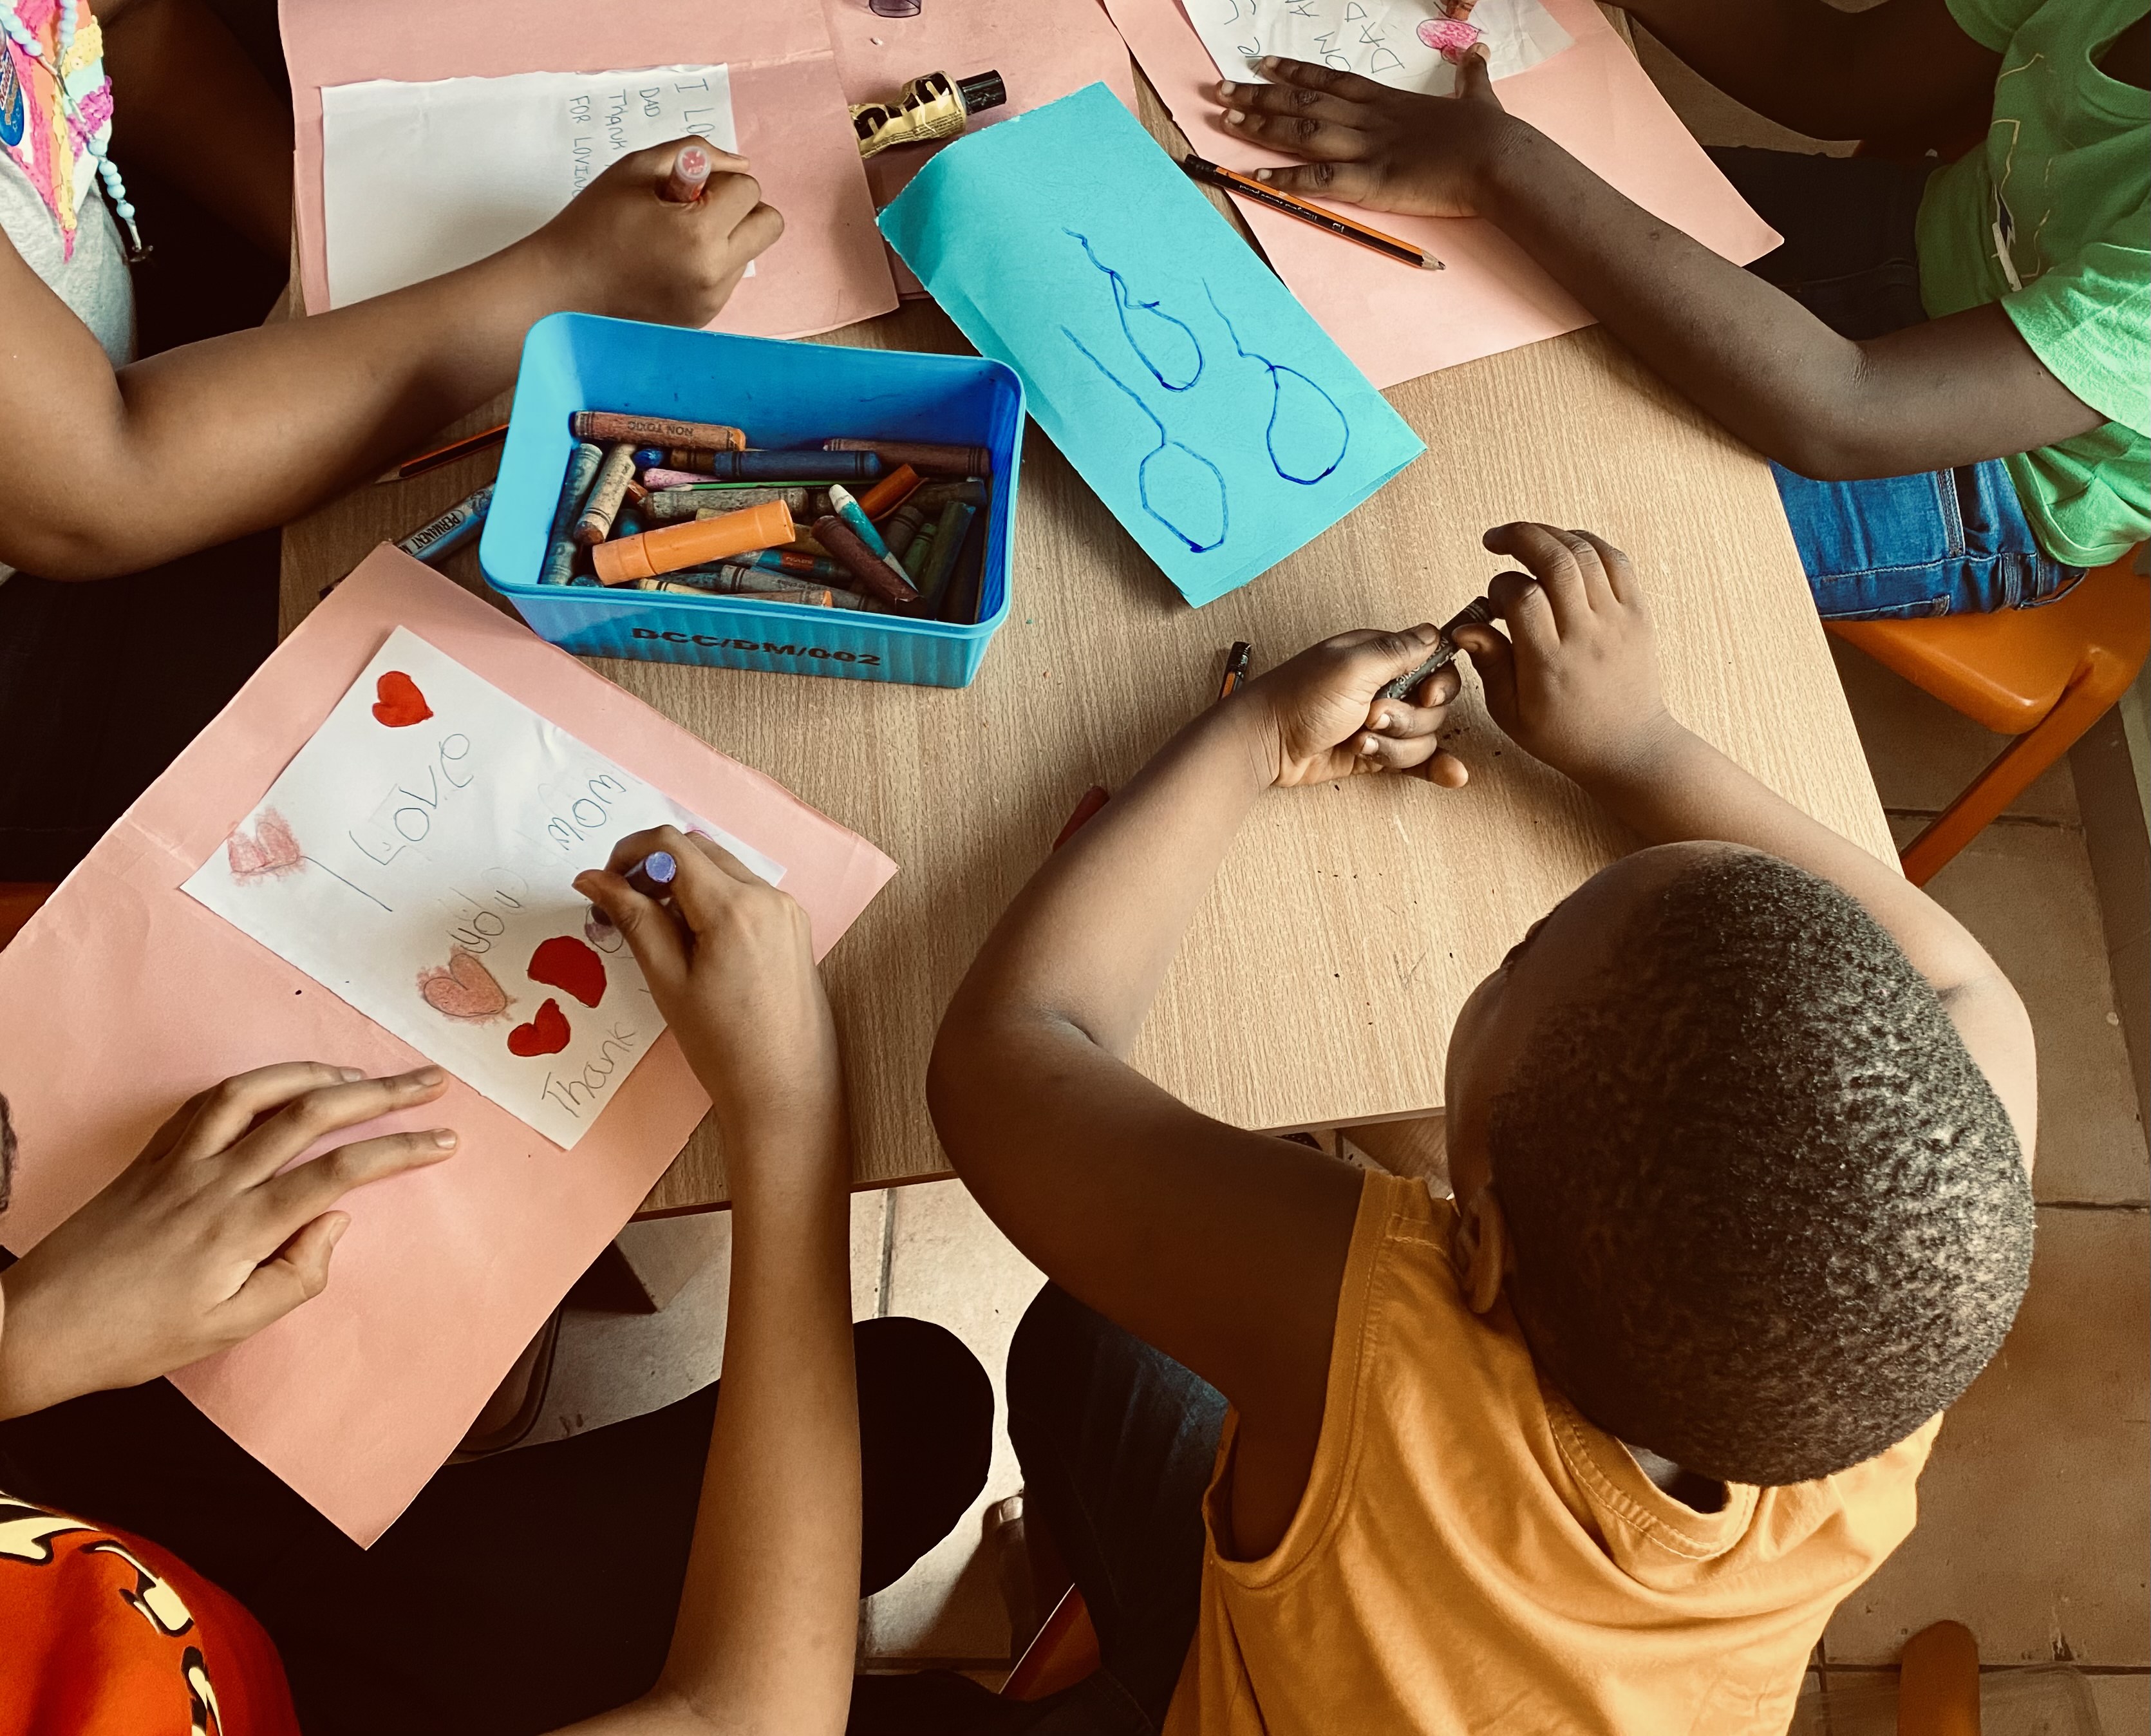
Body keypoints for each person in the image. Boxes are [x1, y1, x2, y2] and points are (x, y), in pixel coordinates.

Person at [925, 524, 2038, 1731]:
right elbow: (1968, 996)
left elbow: (1010, 1056)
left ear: (1482, 1242)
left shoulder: (1374, 1333)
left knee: (1082, 1347)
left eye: (1522, 955)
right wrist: (1629, 744)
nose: (1514, 954)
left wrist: (1257, 734)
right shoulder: (1896, 1304)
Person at [0, 827, 991, 1735]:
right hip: (304, 1699)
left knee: (906, 1414)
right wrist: (787, 1102)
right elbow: (734, 1719)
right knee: (909, 1414)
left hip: (75, 1510)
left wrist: (27, 1339)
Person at [1, 0, 781, 879]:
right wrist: (568, 279)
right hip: (58, 624)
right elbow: (101, 489)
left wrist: (328, 249)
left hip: (109, 371)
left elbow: (127, 28)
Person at [1207, 0, 2148, 621]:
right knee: (1433, 264)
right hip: (1918, 239)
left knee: (1454, 543)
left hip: (2001, 471)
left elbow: (1846, 411)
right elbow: (1831, 70)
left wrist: (1501, 166)